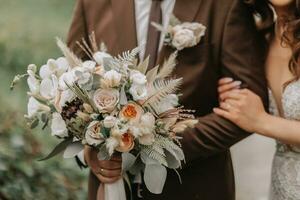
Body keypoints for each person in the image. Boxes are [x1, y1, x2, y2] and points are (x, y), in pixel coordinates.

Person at [67, 0, 268, 199]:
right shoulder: (92, 3)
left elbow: (249, 109)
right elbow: (69, 91)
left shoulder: (225, 5)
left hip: (193, 187)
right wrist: (88, 150)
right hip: (111, 189)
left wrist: (158, 146)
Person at [214, 0, 300, 199]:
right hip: (282, 186)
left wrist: (260, 120)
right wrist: (234, 97)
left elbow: (259, 118)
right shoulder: (263, 38)